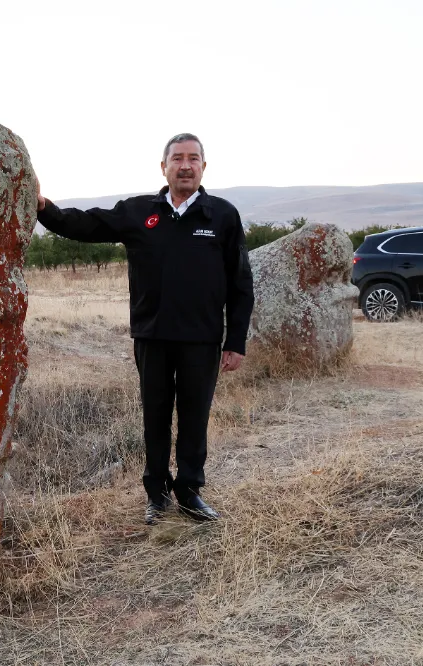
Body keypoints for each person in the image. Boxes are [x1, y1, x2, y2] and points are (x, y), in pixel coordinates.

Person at [36, 133, 254, 524]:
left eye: (193, 158)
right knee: (155, 415)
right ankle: (156, 494)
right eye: (177, 158)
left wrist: (234, 340)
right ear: (164, 167)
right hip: (152, 335)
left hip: (202, 338)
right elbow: (87, 224)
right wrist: (43, 208)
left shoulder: (222, 216)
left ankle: (189, 491)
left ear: (204, 166)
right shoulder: (139, 212)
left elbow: (241, 283)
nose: (185, 165)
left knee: (194, 416)